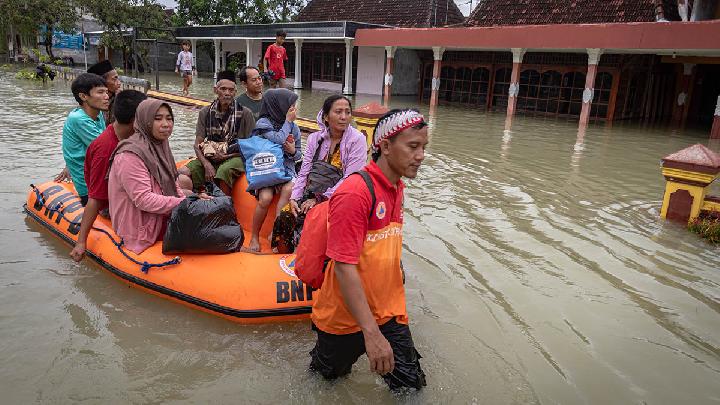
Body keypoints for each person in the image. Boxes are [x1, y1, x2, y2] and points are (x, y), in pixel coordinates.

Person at [308, 109, 429, 390]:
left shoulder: (397, 186)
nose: (421, 155)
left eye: (423, 147)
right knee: (325, 384)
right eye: (413, 146)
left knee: (411, 388)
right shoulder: (355, 193)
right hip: (345, 316)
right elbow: (343, 266)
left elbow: (385, 245)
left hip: (388, 310)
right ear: (385, 146)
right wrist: (372, 334)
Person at [270, 95, 366, 253]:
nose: (344, 117)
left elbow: (350, 178)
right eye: (338, 112)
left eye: (347, 112)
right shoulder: (315, 139)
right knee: (286, 214)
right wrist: (295, 198)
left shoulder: (357, 140)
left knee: (313, 222)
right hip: (312, 192)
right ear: (326, 117)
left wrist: (319, 199)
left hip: (340, 197)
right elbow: (304, 172)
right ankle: (283, 258)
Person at [69, 90, 147, 262]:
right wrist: (81, 242)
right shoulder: (106, 149)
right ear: (136, 120)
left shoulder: (128, 137)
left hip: (127, 193)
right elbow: (95, 198)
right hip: (112, 205)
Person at [107, 99, 190, 254]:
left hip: (157, 214)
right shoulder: (130, 155)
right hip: (140, 224)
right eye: (158, 119)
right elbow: (143, 199)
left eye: (169, 118)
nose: (166, 124)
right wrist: (184, 204)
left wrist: (190, 201)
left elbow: (172, 181)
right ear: (145, 121)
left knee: (196, 199)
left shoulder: (160, 145)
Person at [178, 70, 255, 196]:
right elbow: (197, 144)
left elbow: (253, 146)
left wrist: (225, 157)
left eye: (231, 90)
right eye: (223, 89)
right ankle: (193, 201)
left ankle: (224, 207)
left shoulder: (246, 113)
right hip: (210, 155)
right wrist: (206, 164)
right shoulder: (205, 112)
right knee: (183, 172)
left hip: (236, 156)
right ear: (215, 90)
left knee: (223, 172)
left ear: (235, 92)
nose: (227, 93)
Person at [247, 88, 301, 252]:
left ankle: (275, 233)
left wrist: (292, 151)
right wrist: (288, 122)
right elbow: (278, 140)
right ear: (278, 106)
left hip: (286, 169)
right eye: (290, 105)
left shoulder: (294, 127)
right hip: (267, 168)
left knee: (288, 190)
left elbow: (299, 153)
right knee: (265, 198)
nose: (293, 108)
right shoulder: (264, 123)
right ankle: (254, 236)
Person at [60, 73, 110, 205]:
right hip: (89, 188)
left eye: (106, 92)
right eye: (101, 92)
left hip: (97, 177)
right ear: (83, 96)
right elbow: (107, 148)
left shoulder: (97, 114)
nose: (107, 96)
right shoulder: (79, 119)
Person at [87, 60, 121, 124]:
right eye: (114, 79)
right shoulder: (92, 104)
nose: (119, 83)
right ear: (102, 81)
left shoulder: (119, 97)